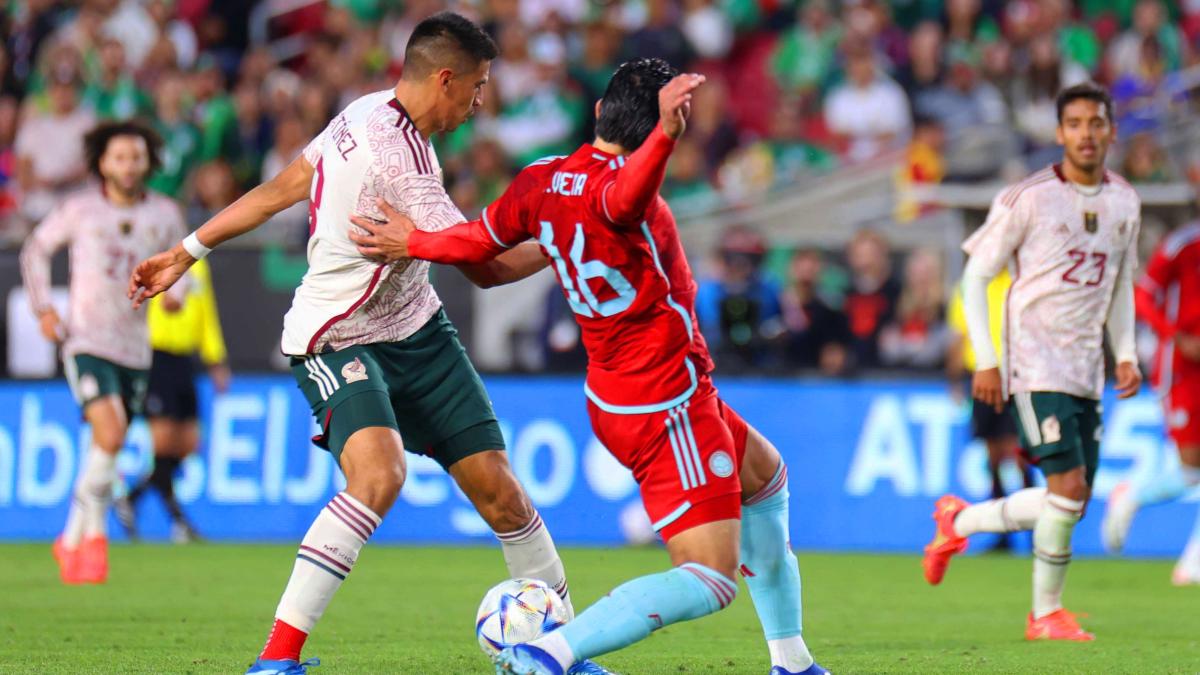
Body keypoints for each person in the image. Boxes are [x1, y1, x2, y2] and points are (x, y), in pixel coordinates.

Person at [127, 13, 596, 675]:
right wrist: (569, 239)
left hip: (417, 329)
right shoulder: (404, 166)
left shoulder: (365, 110)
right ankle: (276, 659)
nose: (481, 101)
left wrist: (187, 248)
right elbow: (487, 268)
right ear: (445, 79)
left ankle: (560, 654)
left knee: (502, 491)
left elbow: (284, 186)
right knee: (379, 474)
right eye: (479, 86)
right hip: (335, 335)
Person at [349, 57, 829, 675]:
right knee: (710, 578)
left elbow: (474, 241)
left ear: (599, 113)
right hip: (666, 401)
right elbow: (624, 197)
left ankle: (792, 662)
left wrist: (412, 241)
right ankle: (547, 654)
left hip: (618, 391)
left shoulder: (541, 181)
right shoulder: (627, 195)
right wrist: (668, 136)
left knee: (764, 479)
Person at [922, 82, 1142, 641]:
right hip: (1032, 360)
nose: (1086, 134)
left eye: (1096, 123)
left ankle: (960, 521)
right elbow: (975, 275)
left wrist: (1128, 353)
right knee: (1066, 489)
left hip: (1086, 366)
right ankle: (1045, 614)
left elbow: (1120, 286)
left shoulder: (1124, 202)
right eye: (1075, 124)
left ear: (1112, 130)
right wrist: (987, 360)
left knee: (1069, 499)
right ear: (1060, 132)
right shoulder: (1029, 197)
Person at [20, 120, 187, 584]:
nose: (128, 166)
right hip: (86, 340)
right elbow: (34, 250)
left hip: (135, 347)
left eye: (135, 157)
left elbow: (184, 266)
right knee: (111, 434)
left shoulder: (165, 214)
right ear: (101, 162)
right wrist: (43, 310)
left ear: (148, 162)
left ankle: (72, 537)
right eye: (118, 157)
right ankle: (93, 534)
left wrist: (178, 292)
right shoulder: (79, 210)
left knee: (105, 446)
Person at [1102, 219, 1200, 585]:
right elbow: (1143, 297)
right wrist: (1177, 338)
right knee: (1191, 471)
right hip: (1183, 371)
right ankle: (1131, 495)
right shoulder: (1183, 244)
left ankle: (1192, 565)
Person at [115, 256, 230, 544]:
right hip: (156, 356)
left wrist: (215, 357)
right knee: (164, 442)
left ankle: (131, 499)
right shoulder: (153, 258)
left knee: (188, 443)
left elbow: (206, 314)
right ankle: (179, 522)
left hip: (184, 361)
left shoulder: (199, 265)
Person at [945, 267, 1034, 552]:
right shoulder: (970, 285)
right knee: (993, 457)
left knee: (1019, 455)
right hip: (982, 379)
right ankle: (1003, 534)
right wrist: (955, 378)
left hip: (1015, 378)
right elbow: (960, 335)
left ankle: (1036, 531)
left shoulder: (1021, 281)